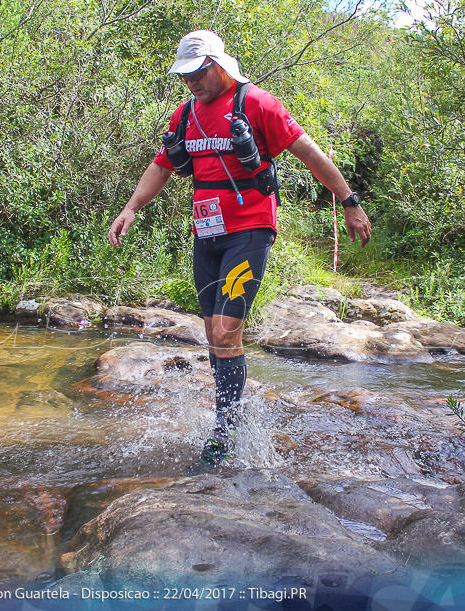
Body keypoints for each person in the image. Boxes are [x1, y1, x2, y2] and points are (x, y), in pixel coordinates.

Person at [108, 30, 371, 469]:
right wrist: (131, 208)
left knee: (227, 330)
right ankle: (230, 415)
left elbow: (310, 153)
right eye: (184, 74)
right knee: (213, 331)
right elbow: (162, 165)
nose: (191, 81)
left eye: (198, 71)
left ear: (219, 64)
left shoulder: (258, 104)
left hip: (250, 229)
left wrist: (349, 203)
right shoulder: (186, 113)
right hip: (206, 235)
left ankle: (224, 433)